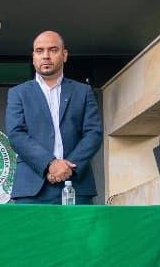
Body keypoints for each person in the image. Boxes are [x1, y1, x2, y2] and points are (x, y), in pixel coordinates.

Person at [5, 30, 103, 204]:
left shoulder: (83, 92)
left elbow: (93, 133)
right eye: (39, 51)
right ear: (33, 57)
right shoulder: (18, 93)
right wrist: (49, 163)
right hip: (32, 189)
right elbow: (16, 135)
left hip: (77, 184)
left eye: (53, 50)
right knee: (32, 233)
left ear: (64, 55)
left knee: (79, 233)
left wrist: (68, 167)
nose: (46, 56)